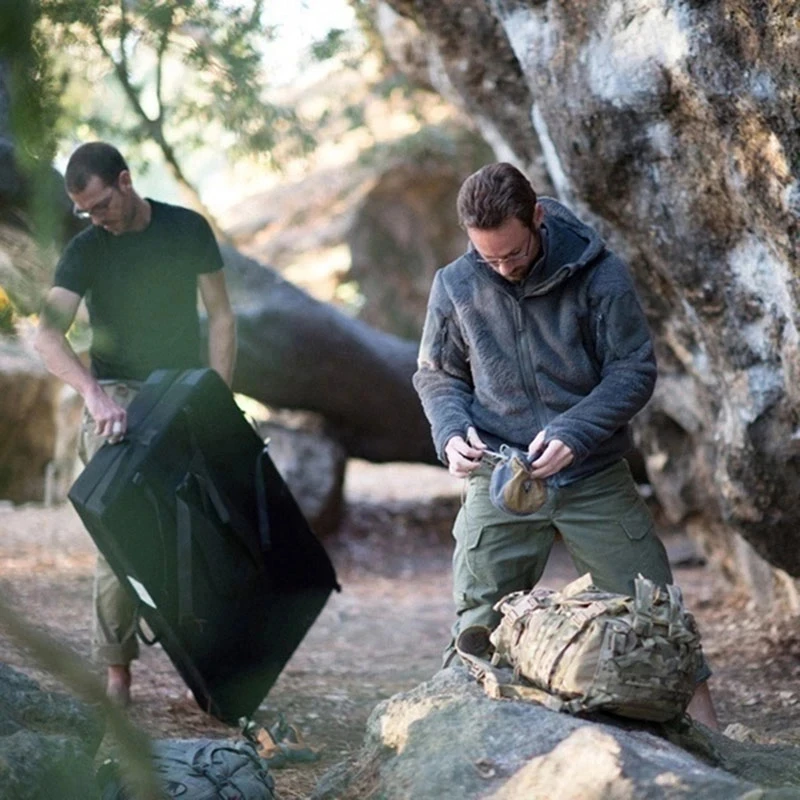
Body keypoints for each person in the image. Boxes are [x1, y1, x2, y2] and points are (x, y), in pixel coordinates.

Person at [413, 162, 718, 729]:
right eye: (488, 258)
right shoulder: (455, 283)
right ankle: (462, 753)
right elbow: (438, 375)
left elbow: (633, 370)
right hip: (498, 476)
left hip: (593, 475)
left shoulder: (599, 274)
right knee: (476, 628)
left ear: (537, 217)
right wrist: (449, 432)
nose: (503, 269)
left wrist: (574, 431)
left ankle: (719, 750)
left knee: (656, 617)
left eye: (513, 254)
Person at [35, 142, 237, 707]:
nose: (96, 218)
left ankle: (217, 668)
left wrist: (218, 396)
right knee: (119, 530)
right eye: (85, 211)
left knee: (205, 527)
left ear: (125, 181)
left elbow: (222, 316)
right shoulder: (85, 250)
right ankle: (117, 673)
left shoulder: (187, 229)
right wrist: (94, 395)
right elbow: (46, 335)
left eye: (101, 204)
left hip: (183, 389)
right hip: (117, 397)